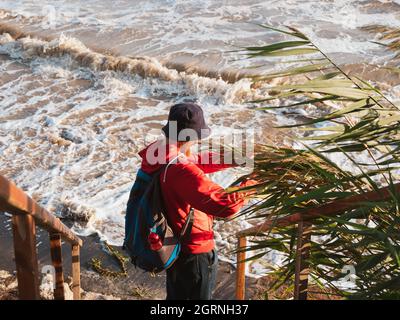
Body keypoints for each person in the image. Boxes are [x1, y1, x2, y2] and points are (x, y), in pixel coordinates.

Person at [138, 102, 255, 300]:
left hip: (173, 245)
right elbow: (225, 205)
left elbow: (195, 162)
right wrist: (253, 183)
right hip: (193, 255)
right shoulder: (179, 169)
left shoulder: (160, 154)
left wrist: (237, 157)